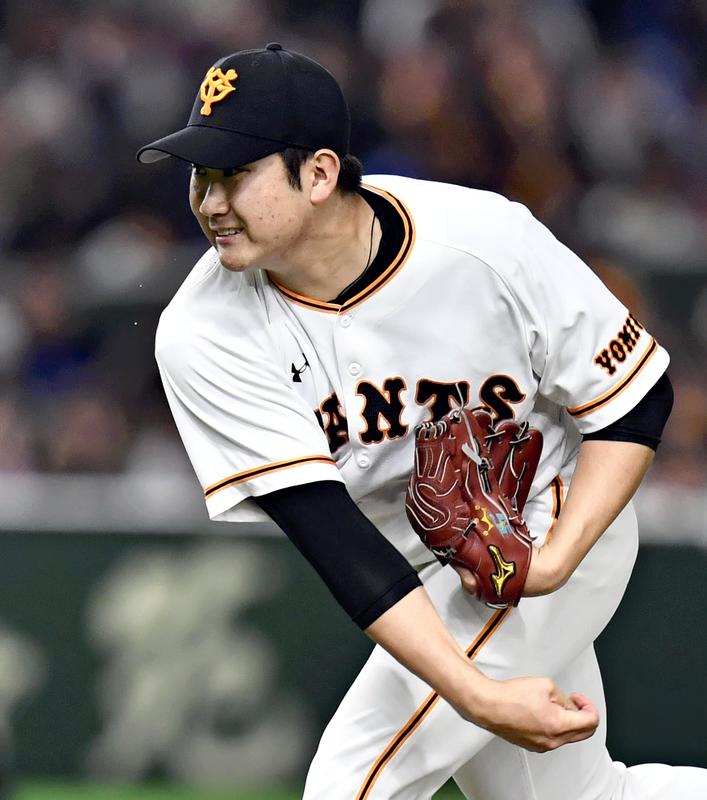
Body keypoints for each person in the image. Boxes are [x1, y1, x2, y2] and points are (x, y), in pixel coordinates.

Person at [138, 44, 707, 799]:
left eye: (233, 174)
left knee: (351, 784)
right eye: (199, 176)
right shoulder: (203, 334)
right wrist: (476, 694)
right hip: (425, 574)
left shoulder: (481, 240)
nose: (211, 202)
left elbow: (637, 399)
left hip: (550, 516)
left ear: (319, 174)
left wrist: (553, 563)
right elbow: (336, 542)